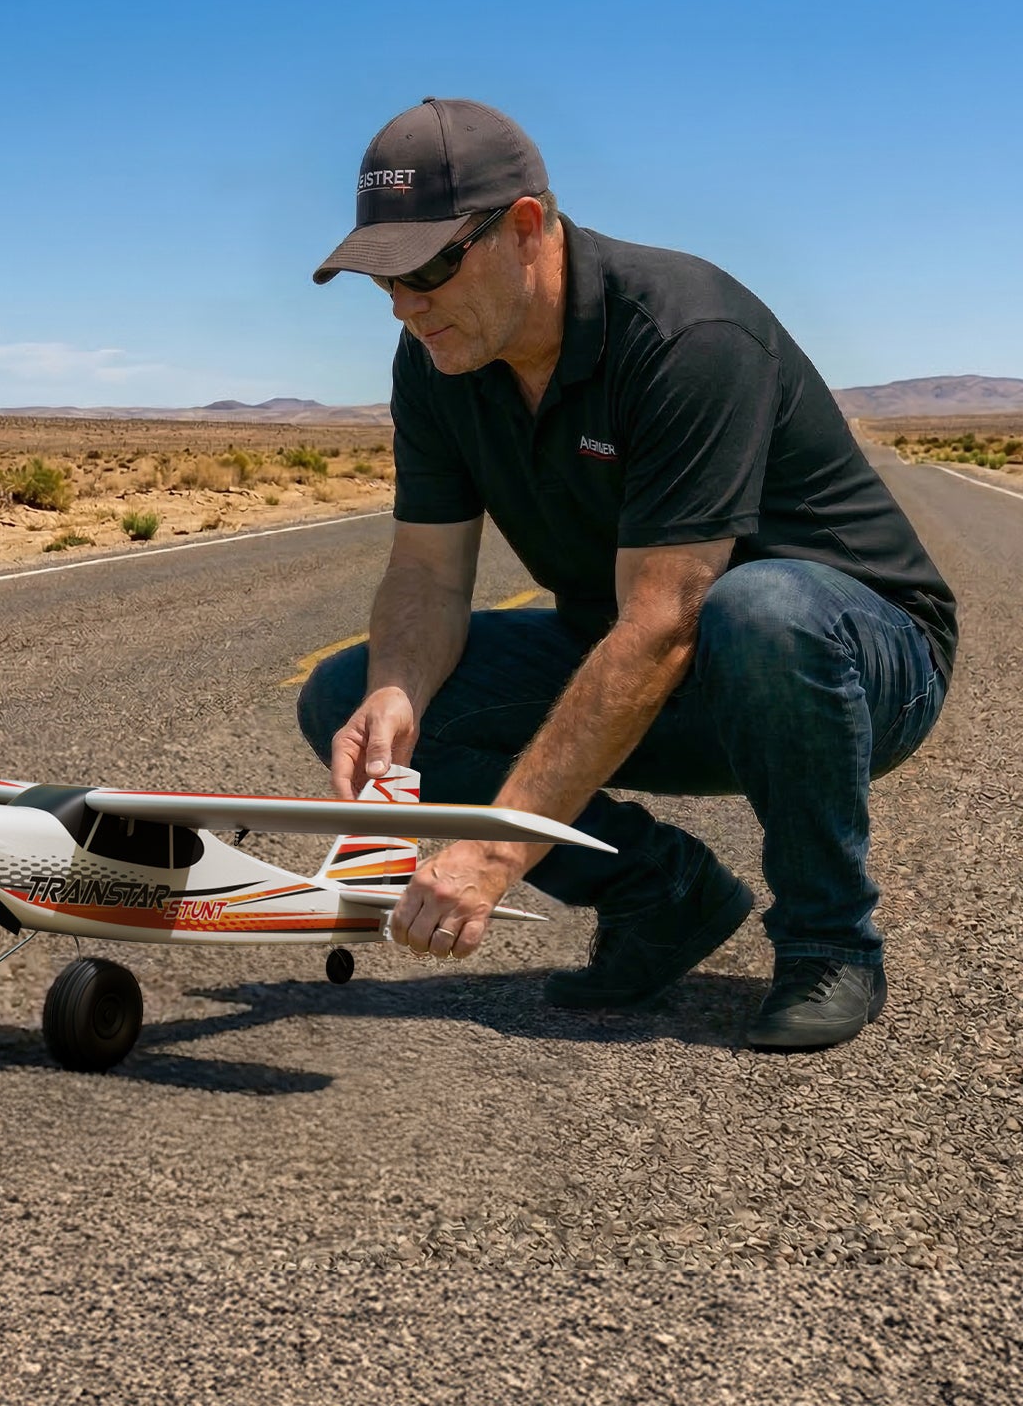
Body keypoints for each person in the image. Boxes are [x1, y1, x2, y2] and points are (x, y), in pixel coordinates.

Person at [299, 98, 957, 1050]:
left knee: (758, 608)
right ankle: (662, 895)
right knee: (346, 692)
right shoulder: (437, 362)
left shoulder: (686, 333)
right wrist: (397, 690)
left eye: (429, 268)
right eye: (382, 277)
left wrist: (496, 850)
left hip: (855, 667)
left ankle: (829, 942)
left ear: (526, 227)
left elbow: (663, 622)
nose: (405, 303)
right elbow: (427, 576)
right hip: (670, 665)